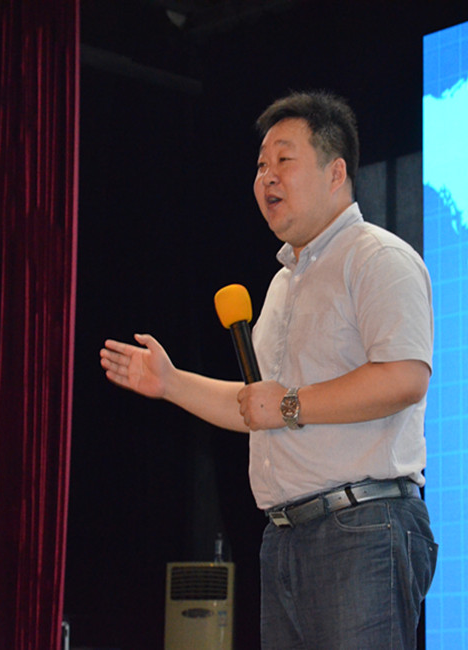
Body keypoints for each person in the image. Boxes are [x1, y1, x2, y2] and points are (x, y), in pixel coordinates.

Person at [100, 90, 437, 649]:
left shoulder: (378, 258)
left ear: (336, 173)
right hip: (284, 536)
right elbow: (258, 407)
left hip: (363, 527)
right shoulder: (282, 283)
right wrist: (172, 383)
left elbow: (404, 378)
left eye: (284, 160)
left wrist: (287, 404)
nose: (267, 178)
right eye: (260, 166)